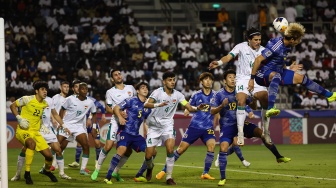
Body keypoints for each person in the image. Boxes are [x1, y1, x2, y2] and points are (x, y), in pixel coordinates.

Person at [210, 70, 291, 186]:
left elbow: (253, 106)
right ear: (224, 81)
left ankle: (278, 156)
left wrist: (253, 98)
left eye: (234, 77)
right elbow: (212, 111)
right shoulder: (219, 95)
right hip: (227, 126)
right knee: (223, 148)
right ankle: (222, 178)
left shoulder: (241, 91)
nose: (233, 79)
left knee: (262, 134)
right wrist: (222, 105)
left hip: (242, 124)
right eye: (230, 77)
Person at [248, 23, 336, 117]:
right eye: (298, 39)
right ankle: (270, 108)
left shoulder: (288, 46)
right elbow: (258, 60)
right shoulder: (275, 46)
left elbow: (279, 60)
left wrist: (289, 67)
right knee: (276, 76)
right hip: (262, 74)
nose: (299, 41)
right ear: (292, 39)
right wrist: (252, 79)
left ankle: (329, 95)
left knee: (302, 78)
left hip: (277, 72)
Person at [140, 71, 206, 185]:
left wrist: (198, 108)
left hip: (168, 125)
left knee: (170, 150)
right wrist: (157, 105)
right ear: (164, 81)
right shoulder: (157, 93)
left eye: (173, 79)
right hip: (154, 126)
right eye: (170, 80)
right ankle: (150, 167)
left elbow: (188, 107)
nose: (172, 82)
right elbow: (146, 104)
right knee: (148, 156)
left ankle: (169, 177)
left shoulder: (178, 95)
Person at [209, 27, 270, 146]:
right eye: (256, 40)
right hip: (242, 79)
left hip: (257, 79)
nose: (258, 42)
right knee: (241, 100)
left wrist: (288, 69)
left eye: (259, 39)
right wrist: (219, 62)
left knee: (265, 97)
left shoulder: (263, 50)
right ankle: (241, 133)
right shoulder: (241, 46)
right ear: (249, 39)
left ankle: (266, 130)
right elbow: (228, 56)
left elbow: (274, 64)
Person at [155, 72, 218, 180]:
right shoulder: (196, 95)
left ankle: (205, 173)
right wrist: (186, 110)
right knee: (181, 149)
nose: (208, 81)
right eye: (206, 79)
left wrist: (215, 122)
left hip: (208, 128)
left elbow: (217, 111)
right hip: (194, 127)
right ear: (201, 82)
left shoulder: (216, 95)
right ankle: (164, 170)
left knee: (211, 147)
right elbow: (188, 105)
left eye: (210, 79)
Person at [103, 82, 165, 184]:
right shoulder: (131, 100)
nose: (145, 89)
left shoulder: (147, 106)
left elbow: (146, 121)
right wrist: (120, 117)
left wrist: (149, 133)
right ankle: (108, 177)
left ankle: (139, 174)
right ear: (137, 91)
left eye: (146, 88)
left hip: (136, 135)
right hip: (125, 132)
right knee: (121, 150)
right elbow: (116, 108)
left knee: (153, 152)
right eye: (142, 88)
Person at [9, 80, 66, 184]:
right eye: (42, 89)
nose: (45, 92)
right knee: (31, 144)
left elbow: (38, 116)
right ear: (36, 91)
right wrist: (19, 118)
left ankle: (46, 170)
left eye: (46, 90)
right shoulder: (27, 99)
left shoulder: (44, 104)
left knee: (49, 156)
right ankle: (27, 173)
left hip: (36, 132)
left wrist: (41, 125)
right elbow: (12, 106)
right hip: (23, 131)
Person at [91, 69, 136, 181]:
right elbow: (108, 108)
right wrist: (119, 113)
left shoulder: (130, 88)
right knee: (108, 146)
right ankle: (97, 169)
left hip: (129, 123)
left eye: (119, 74)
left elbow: (136, 102)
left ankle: (115, 172)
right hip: (116, 122)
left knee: (128, 150)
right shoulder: (110, 92)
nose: (118, 76)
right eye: (115, 75)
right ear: (112, 79)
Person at [57, 82, 97, 175]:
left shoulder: (90, 102)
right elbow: (62, 109)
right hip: (67, 124)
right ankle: (47, 166)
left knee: (86, 145)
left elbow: (94, 113)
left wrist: (94, 127)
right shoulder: (70, 99)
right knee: (57, 146)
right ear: (78, 91)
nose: (85, 91)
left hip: (78, 126)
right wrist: (61, 122)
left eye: (86, 89)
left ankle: (82, 169)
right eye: (83, 89)